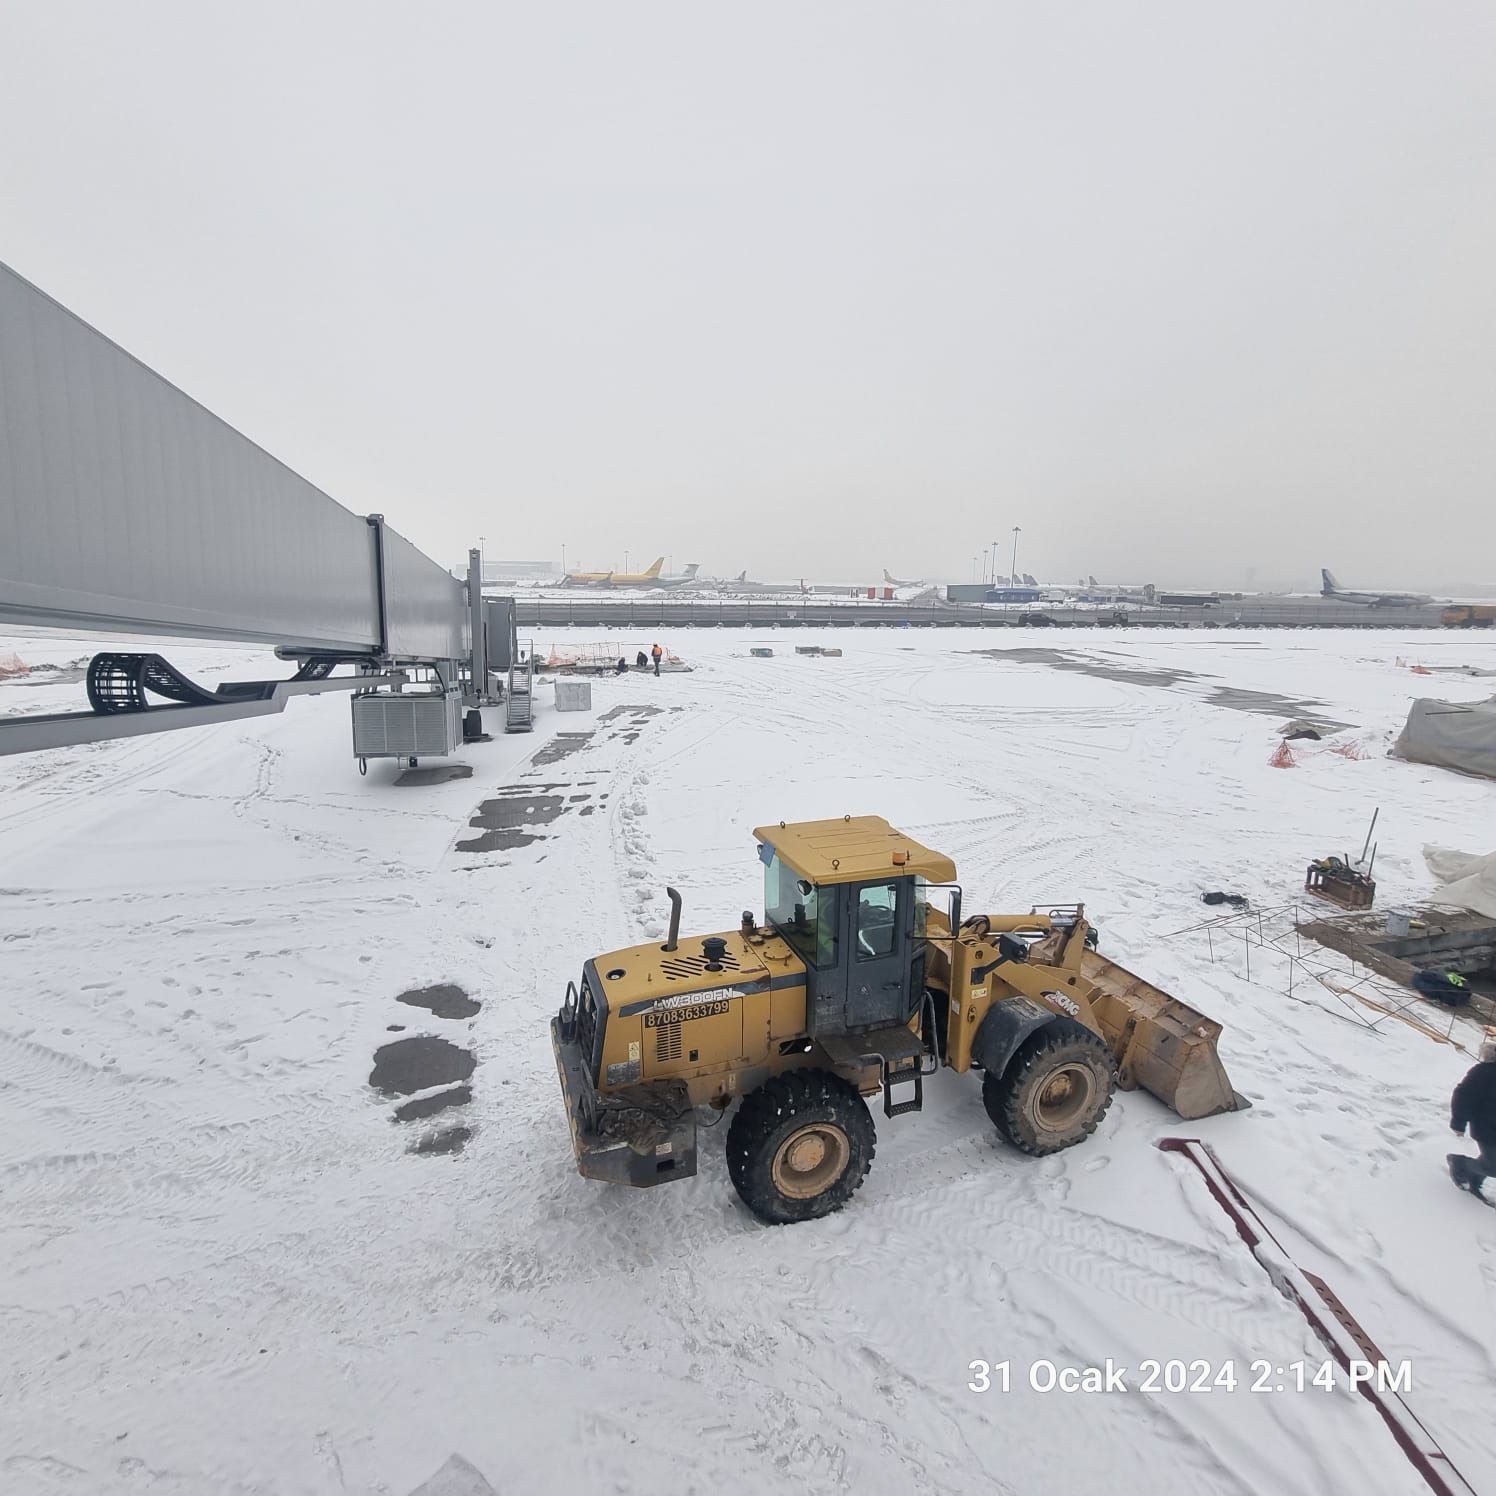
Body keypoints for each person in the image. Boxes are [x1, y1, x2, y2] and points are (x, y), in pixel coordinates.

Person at [1448, 1035, 1496, 1198]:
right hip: (1486, 1127)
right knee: (1493, 1166)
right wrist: (1458, 1122)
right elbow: (1463, 1095)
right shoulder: (1485, 1072)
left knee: (1491, 1161)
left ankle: (1473, 1179)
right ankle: (1460, 1164)